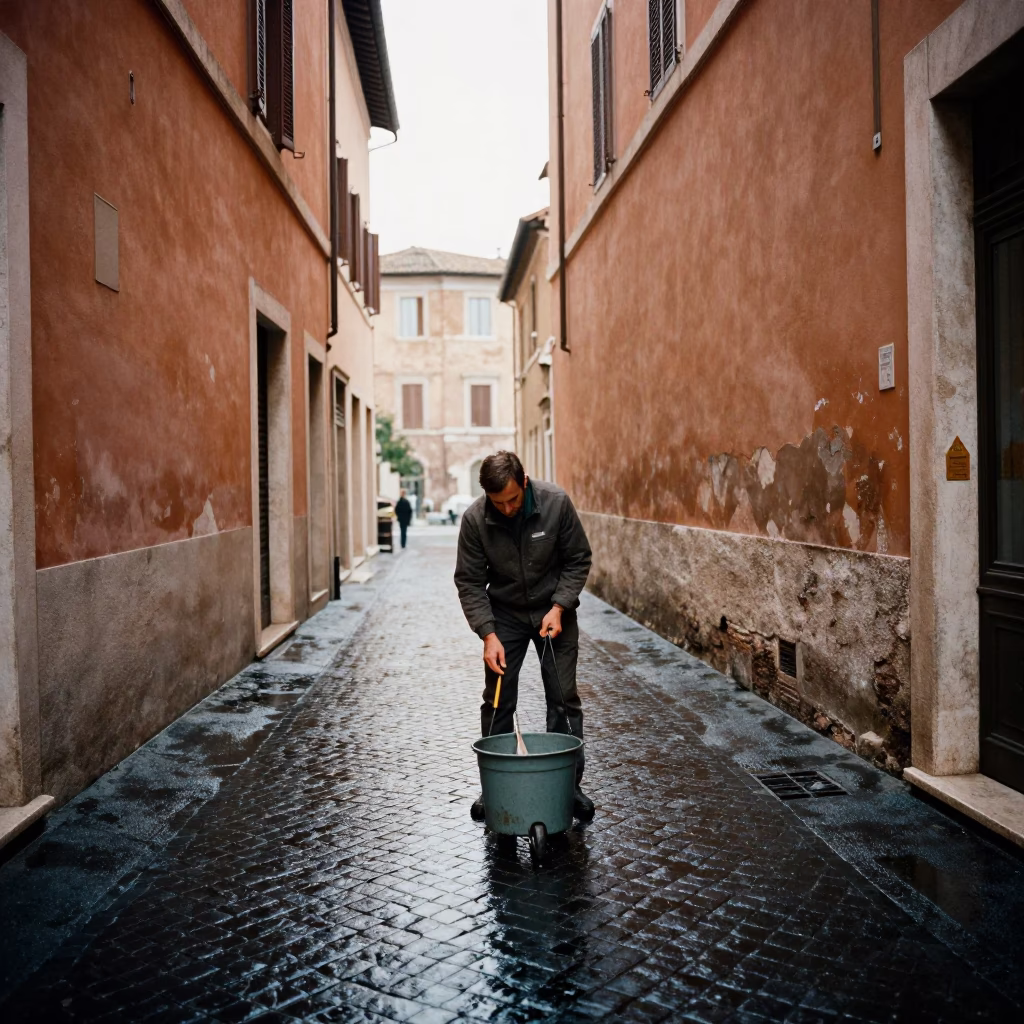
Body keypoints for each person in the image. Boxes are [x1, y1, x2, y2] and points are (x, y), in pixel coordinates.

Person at [454, 450, 595, 822]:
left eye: (514, 499)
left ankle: (570, 786)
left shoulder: (556, 504)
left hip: (553, 611)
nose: (507, 508)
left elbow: (578, 558)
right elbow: (469, 581)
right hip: (504, 619)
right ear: (487, 496)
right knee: (497, 701)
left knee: (564, 699)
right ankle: (494, 788)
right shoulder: (474, 519)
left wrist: (561, 605)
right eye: (498, 502)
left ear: (525, 483)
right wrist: (487, 634)